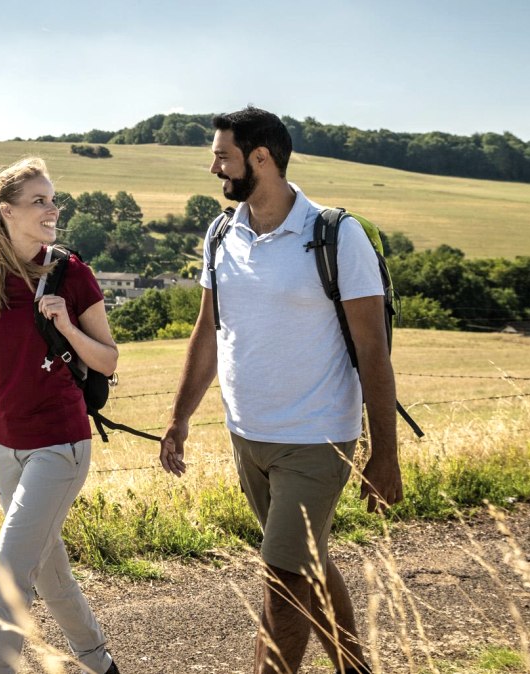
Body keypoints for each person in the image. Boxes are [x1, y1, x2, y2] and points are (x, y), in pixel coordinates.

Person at [158, 106, 403, 674]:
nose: (213, 166)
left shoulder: (337, 236)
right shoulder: (222, 233)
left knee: (283, 582)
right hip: (248, 436)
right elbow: (208, 332)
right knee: (306, 564)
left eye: (223, 155)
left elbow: (373, 353)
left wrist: (385, 452)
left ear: (260, 158)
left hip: (316, 440)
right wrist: (180, 417)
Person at [0, 157, 121, 674]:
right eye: (40, 201)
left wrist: (68, 327)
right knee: (49, 572)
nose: (53, 209)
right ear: (5, 213)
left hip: (60, 444)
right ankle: (101, 664)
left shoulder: (72, 273)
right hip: (3, 444)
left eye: (53, 199)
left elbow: (108, 360)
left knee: (9, 574)